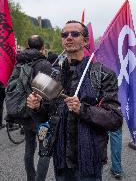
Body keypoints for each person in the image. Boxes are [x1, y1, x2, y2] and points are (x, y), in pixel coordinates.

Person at [27, 21, 123, 181]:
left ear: (85, 41)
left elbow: (115, 119)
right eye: (65, 34)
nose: (69, 37)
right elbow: (46, 115)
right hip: (61, 158)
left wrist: (82, 109)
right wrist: (37, 107)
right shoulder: (54, 74)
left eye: (75, 34)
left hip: (88, 159)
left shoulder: (103, 74)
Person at [16, 35, 52, 181]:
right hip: (41, 116)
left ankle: (31, 178)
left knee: (29, 149)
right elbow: (49, 93)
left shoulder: (19, 62)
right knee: (44, 152)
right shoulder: (44, 64)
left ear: (28, 45)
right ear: (42, 47)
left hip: (24, 113)